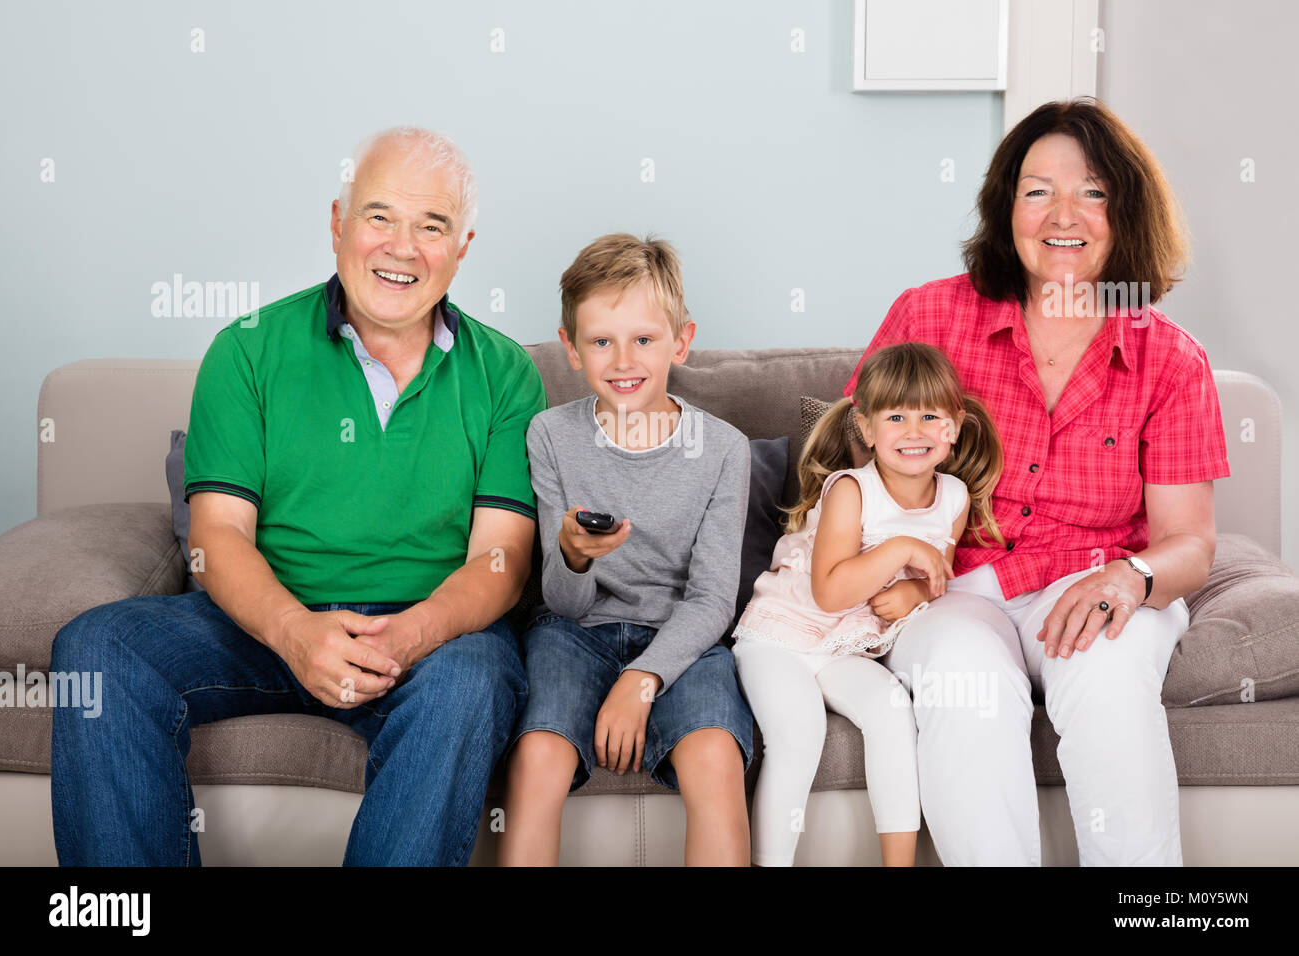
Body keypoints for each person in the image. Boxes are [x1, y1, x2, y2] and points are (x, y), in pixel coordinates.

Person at [49, 126, 547, 866]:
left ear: (462, 247)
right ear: (338, 223)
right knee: (97, 648)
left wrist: (411, 634)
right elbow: (217, 536)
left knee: (475, 679)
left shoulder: (505, 373)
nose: (402, 247)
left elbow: (501, 560)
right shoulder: (248, 348)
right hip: (265, 618)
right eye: (379, 216)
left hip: (431, 636)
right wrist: (294, 632)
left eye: (432, 226)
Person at [843, 98, 1231, 866]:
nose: (1063, 215)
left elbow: (1189, 542)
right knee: (964, 680)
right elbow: (848, 472)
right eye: (1037, 191)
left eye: (1092, 191)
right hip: (952, 587)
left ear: (1127, 211)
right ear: (1006, 207)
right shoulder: (929, 317)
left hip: (1095, 580)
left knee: (1110, 673)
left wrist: (1130, 578)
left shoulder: (1171, 358)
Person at [498, 234, 754, 866]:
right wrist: (575, 555)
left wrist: (643, 678)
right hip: (573, 633)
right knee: (538, 757)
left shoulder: (724, 448)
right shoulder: (550, 434)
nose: (622, 360)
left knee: (716, 756)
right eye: (600, 341)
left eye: (643, 339)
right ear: (571, 348)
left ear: (681, 342)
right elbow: (563, 601)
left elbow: (712, 598)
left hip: (682, 637)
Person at [734, 342, 1004, 866]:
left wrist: (914, 592)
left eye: (930, 417)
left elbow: (937, 575)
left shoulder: (953, 497)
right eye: (896, 418)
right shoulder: (851, 490)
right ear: (867, 429)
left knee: (893, 712)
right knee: (799, 732)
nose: (914, 431)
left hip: (844, 647)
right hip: (779, 637)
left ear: (954, 427)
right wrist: (900, 549)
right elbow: (829, 592)